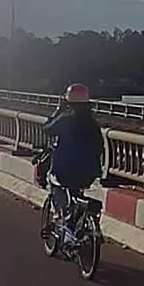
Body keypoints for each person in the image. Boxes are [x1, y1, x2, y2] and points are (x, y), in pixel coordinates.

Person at [42, 83, 104, 233]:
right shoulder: (92, 123)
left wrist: (58, 110)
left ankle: (63, 215)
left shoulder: (66, 119)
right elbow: (99, 146)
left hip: (64, 171)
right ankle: (77, 216)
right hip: (89, 172)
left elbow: (47, 129)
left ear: (68, 102)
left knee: (53, 181)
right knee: (77, 190)